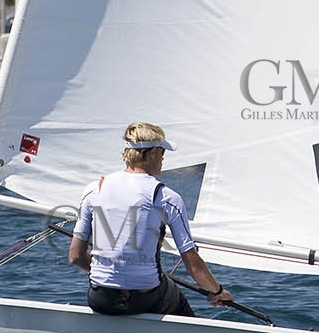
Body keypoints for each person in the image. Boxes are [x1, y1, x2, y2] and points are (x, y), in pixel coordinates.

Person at [69, 122, 236, 317]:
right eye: (163, 151)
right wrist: (217, 291)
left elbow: (75, 256)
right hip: (143, 300)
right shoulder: (166, 197)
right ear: (154, 153)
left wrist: (111, 276)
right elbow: (194, 267)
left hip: (100, 299)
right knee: (175, 296)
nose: (164, 158)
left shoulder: (93, 189)